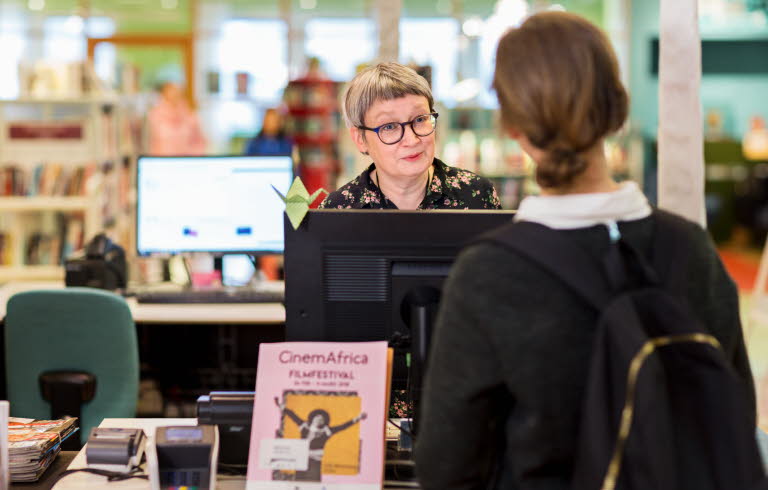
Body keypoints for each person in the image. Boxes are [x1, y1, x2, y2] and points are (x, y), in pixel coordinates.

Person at [414, 11, 756, 490]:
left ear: (513, 127)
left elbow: (447, 468)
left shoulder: (489, 273)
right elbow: (734, 411)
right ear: (617, 109)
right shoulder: (690, 248)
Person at [319, 62, 501, 210]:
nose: (412, 140)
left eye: (420, 119)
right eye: (389, 126)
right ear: (360, 139)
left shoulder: (477, 195)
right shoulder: (339, 210)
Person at [274, 397, 367, 481]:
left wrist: (358, 418)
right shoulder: (305, 426)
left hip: (315, 460)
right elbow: (292, 415)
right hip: (301, 458)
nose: (319, 420)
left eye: (322, 419)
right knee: (299, 481)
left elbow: (343, 426)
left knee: (313, 481)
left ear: (324, 422)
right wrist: (281, 406)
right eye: (317, 417)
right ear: (312, 418)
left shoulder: (326, 431)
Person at [148, 81, 207, 156]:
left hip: (186, 161)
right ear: (164, 93)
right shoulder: (154, 116)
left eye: (176, 91)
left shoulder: (190, 114)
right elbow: (150, 143)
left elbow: (200, 142)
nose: (173, 94)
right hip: (163, 161)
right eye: (170, 91)